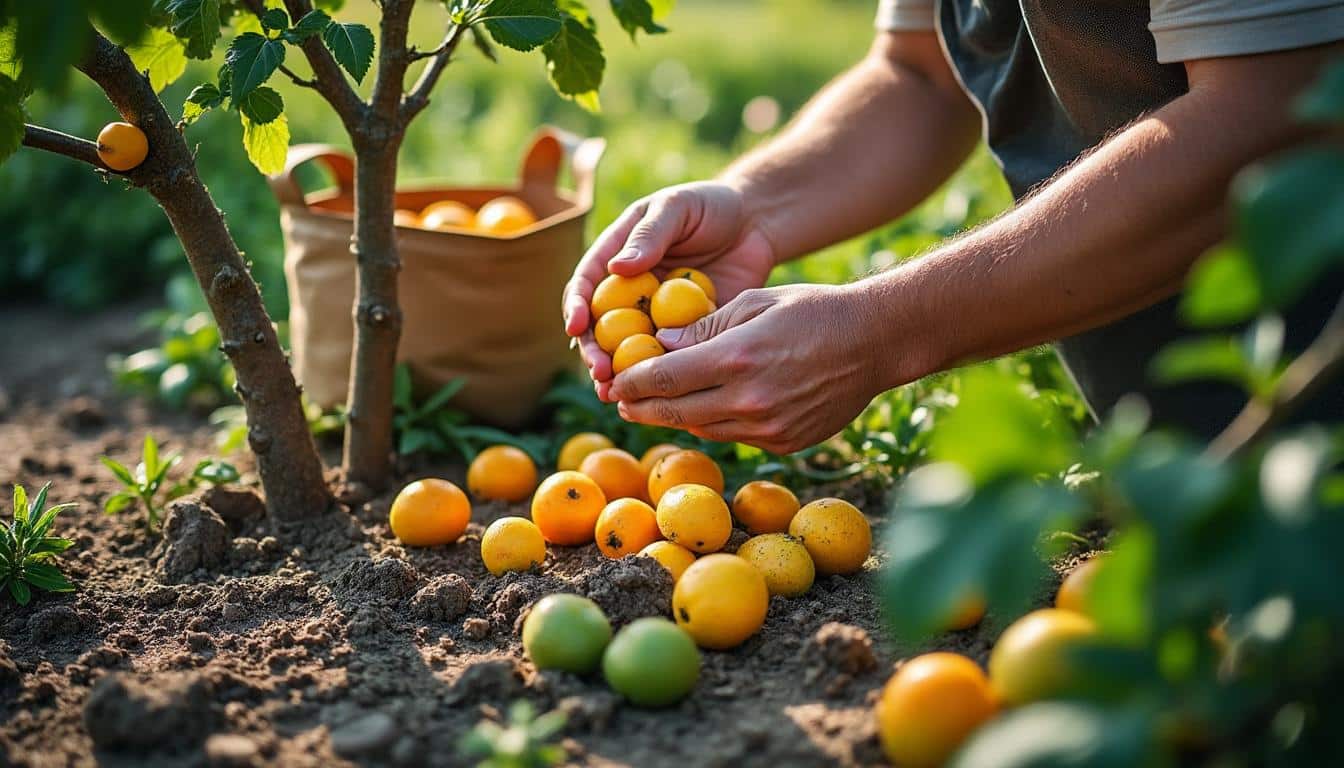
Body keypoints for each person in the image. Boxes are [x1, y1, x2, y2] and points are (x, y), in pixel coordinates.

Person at [562, 0, 1344, 455]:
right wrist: (749, 208)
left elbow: (1274, 112)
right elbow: (920, 72)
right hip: (1184, 450)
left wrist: (881, 328)